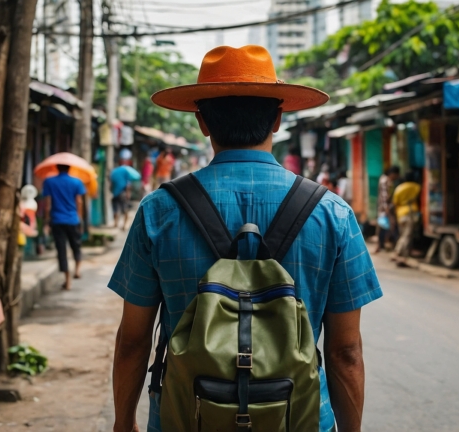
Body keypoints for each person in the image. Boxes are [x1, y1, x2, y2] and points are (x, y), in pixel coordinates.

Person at [109, 45, 382, 432]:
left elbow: (134, 341)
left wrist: (124, 423)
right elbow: (345, 352)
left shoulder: (159, 211)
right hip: (299, 418)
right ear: (277, 118)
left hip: (184, 416)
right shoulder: (332, 213)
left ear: (202, 121)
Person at [42, 164, 86, 290]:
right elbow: (79, 201)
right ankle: (77, 270)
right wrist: (80, 218)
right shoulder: (77, 182)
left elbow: (47, 204)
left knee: (61, 250)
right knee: (76, 245)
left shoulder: (49, 182)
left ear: (57, 168)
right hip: (73, 219)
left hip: (57, 220)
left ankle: (67, 281)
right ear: (69, 168)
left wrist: (46, 220)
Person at [392, 172, 421, 266]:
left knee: (402, 234)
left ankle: (402, 255)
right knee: (407, 235)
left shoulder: (399, 188)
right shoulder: (416, 186)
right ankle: (398, 253)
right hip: (411, 213)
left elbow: (395, 203)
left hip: (400, 214)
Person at [376, 166, 400, 253]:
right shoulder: (385, 180)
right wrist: (386, 207)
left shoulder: (383, 179)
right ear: (393, 174)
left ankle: (381, 245)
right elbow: (384, 194)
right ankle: (382, 245)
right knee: (385, 226)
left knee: (383, 226)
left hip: (383, 207)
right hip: (385, 207)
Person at [110, 164, 138, 231]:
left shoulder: (114, 172)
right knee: (125, 209)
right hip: (123, 192)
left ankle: (115, 224)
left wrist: (112, 191)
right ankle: (124, 226)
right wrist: (128, 194)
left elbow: (111, 184)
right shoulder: (125, 171)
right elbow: (128, 184)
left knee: (116, 209)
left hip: (115, 193)